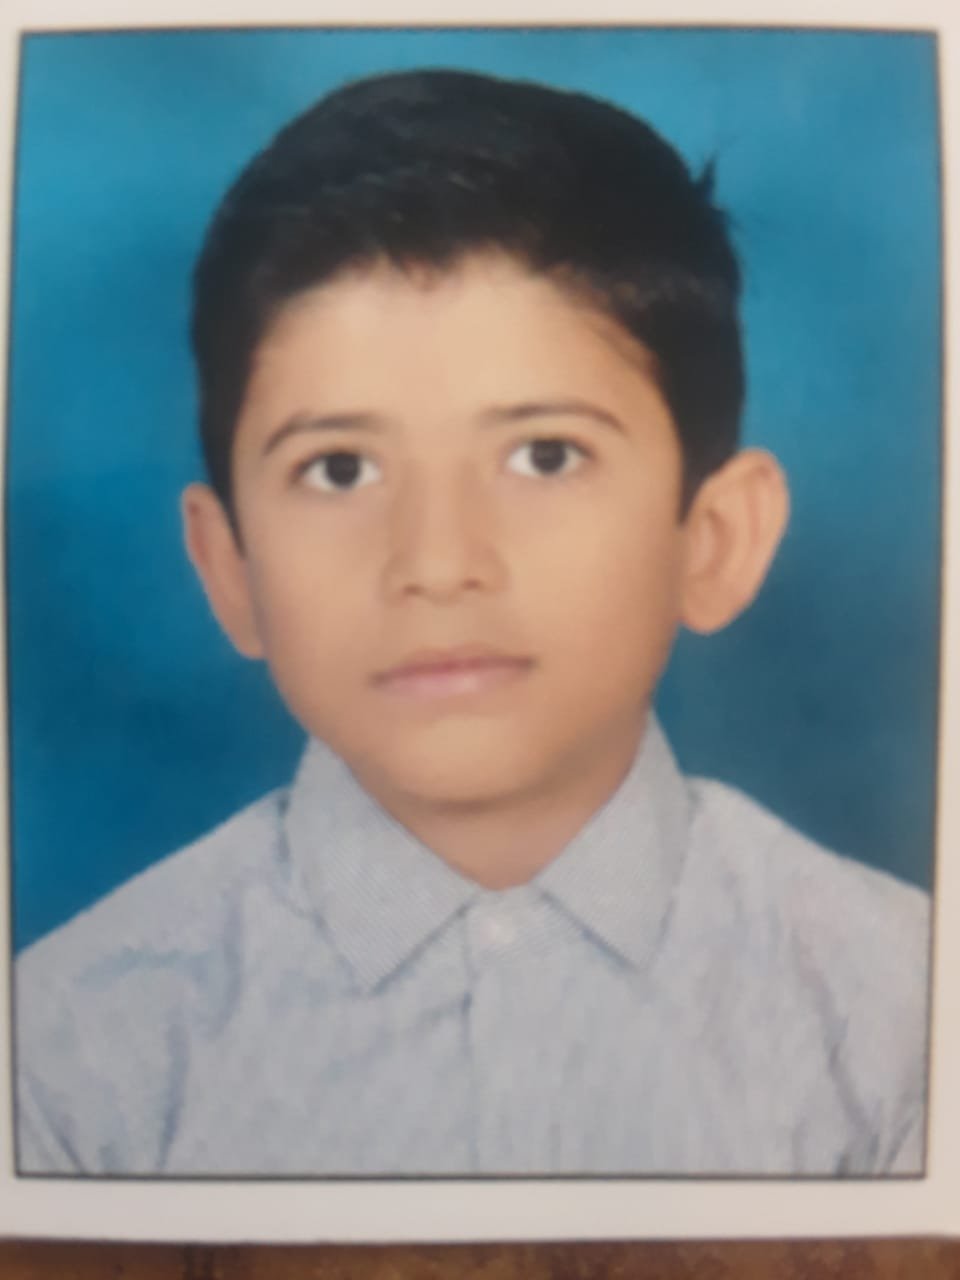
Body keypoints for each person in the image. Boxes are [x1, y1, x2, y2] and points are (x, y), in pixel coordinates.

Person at [15, 68, 929, 1177]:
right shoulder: (69, 1060)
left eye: (545, 455)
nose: (438, 564)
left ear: (715, 538)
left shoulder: (901, 1018)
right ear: (230, 568)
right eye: (339, 468)